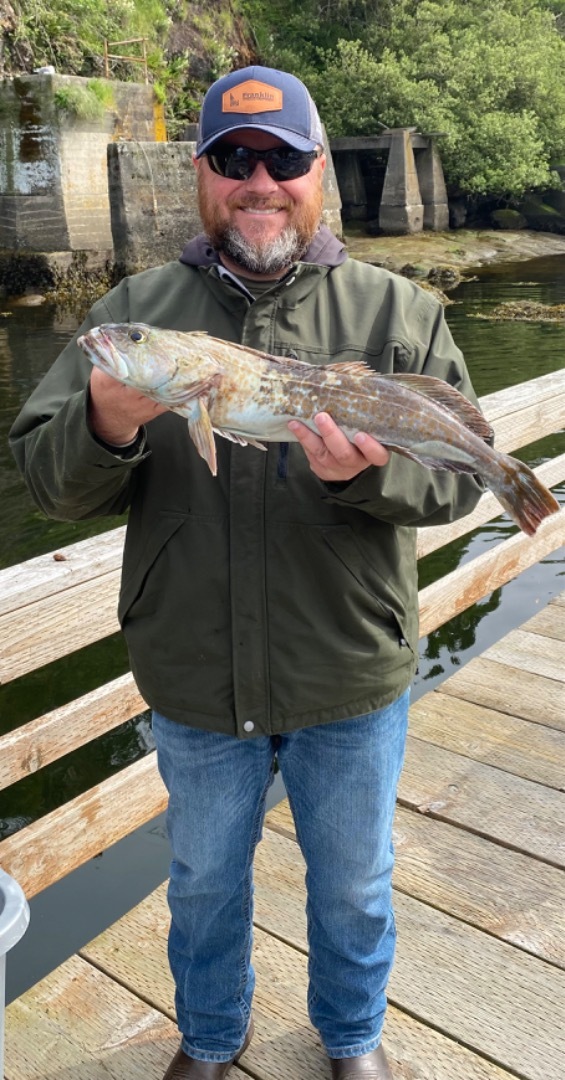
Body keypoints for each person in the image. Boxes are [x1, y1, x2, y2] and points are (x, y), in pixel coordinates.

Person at [10, 66, 485, 1080]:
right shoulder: (137, 314)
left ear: (320, 175)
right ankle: (212, 1042)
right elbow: (47, 483)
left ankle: (351, 1039)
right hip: (193, 674)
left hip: (348, 670)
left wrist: (369, 484)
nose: (258, 180)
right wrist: (105, 421)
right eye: (234, 158)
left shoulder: (399, 313)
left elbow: (453, 492)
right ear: (202, 174)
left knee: (354, 883)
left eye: (283, 159)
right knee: (202, 883)